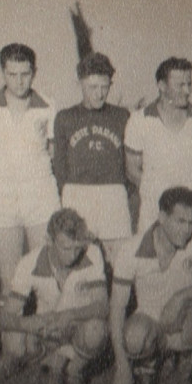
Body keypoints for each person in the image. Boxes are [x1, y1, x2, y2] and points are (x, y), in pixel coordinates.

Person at [0, 43, 60, 378]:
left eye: (25, 74)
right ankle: (12, 352)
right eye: (12, 74)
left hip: (40, 196)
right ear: (3, 72)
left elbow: (52, 154)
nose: (19, 81)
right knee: (9, 279)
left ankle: (44, 347)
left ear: (34, 72)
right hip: (1, 199)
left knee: (42, 275)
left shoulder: (48, 105)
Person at [109, 187, 192, 384]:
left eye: (191, 222)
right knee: (134, 337)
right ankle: (151, 362)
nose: (187, 229)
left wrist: (182, 297)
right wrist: (122, 367)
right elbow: (117, 308)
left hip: (185, 320)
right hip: (153, 324)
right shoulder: (131, 249)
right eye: (180, 221)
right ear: (162, 217)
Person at [0, 209, 108, 384]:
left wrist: (70, 315)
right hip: (47, 328)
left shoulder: (92, 253)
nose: (73, 255)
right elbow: (2, 320)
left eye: (77, 248)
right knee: (13, 340)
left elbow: (103, 306)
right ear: (49, 241)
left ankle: (74, 370)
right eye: (65, 248)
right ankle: (50, 363)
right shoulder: (29, 262)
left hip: (76, 326)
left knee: (97, 330)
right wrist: (29, 323)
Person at [53, 52, 131, 261]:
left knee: (120, 260)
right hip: (78, 193)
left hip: (113, 194)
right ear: (80, 84)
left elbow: (127, 162)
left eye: (104, 87)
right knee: (81, 259)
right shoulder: (65, 117)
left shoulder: (122, 116)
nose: (99, 94)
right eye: (92, 87)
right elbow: (59, 166)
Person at [125, 57, 192, 238]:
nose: (187, 91)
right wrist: (158, 193)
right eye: (180, 85)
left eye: (189, 84)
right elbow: (132, 170)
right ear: (161, 85)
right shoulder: (139, 120)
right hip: (154, 212)